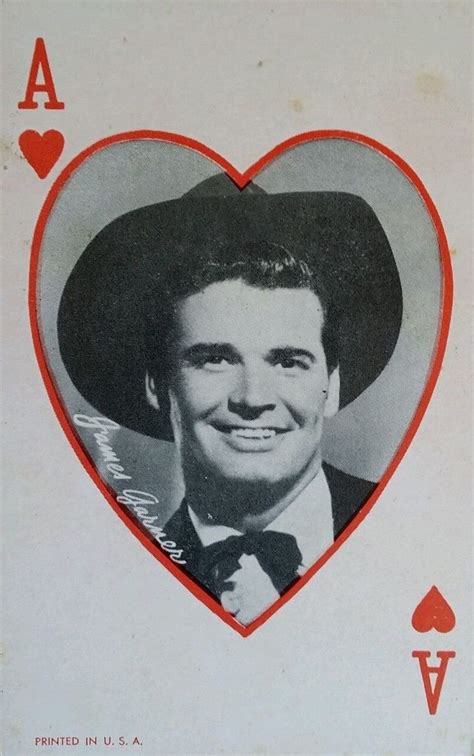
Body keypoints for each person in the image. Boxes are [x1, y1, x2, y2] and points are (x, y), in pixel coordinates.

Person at [58, 175, 403, 625]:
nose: (253, 397)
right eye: (215, 359)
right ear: (158, 387)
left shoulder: (417, 534)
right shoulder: (115, 588)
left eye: (288, 362)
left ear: (332, 385)